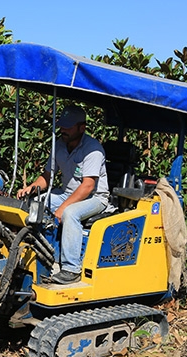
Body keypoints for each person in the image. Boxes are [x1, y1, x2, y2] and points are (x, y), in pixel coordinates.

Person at [17, 105, 110, 284]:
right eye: (62, 125)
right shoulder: (59, 144)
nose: (63, 130)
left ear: (82, 127)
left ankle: (71, 269)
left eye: (68, 127)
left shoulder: (93, 149)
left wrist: (63, 207)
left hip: (95, 198)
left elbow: (88, 186)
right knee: (35, 203)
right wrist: (31, 188)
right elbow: (47, 175)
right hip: (67, 193)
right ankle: (38, 254)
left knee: (70, 213)